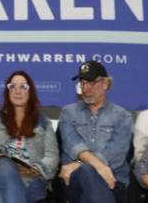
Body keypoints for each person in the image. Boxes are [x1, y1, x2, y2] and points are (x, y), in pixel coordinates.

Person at [0, 70, 59, 203]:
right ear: (7, 91)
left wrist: (35, 169)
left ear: (30, 92)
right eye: (12, 86)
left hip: (30, 180)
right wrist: (0, 155)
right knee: (5, 163)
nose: (17, 91)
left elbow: (52, 156)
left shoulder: (43, 121)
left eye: (23, 87)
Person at [57, 60, 133, 203]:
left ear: (105, 84)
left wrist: (80, 163)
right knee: (87, 172)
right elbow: (72, 144)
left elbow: (116, 153)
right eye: (82, 83)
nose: (85, 89)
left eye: (91, 83)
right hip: (74, 180)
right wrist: (98, 166)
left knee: (89, 178)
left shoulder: (122, 116)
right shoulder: (68, 113)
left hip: (114, 179)